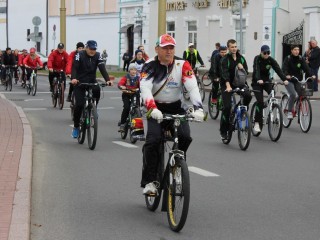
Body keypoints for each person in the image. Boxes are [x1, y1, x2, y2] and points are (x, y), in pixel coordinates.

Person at [139, 34, 204, 195]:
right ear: (157, 49)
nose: (169, 51)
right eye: (165, 48)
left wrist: (198, 108)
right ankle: (150, 182)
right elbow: (145, 88)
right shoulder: (149, 65)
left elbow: (192, 87)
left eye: (171, 48)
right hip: (154, 107)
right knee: (153, 140)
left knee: (185, 137)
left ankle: (176, 167)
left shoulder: (182, 64)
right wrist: (152, 108)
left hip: (176, 107)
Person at [70, 40, 113, 138]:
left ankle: (94, 108)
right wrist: (73, 78)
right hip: (79, 81)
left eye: (94, 49)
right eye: (91, 49)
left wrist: (107, 80)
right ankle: (76, 127)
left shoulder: (98, 55)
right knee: (79, 104)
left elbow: (102, 68)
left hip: (91, 80)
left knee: (97, 89)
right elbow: (75, 67)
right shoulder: (79, 55)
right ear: (86, 47)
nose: (92, 51)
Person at [219, 39, 252, 140]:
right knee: (227, 107)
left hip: (239, 83)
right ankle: (223, 131)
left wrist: (242, 68)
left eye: (235, 46)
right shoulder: (225, 59)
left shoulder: (241, 58)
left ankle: (242, 112)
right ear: (228, 48)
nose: (234, 49)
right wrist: (228, 86)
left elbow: (246, 72)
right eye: (232, 47)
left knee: (248, 95)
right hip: (226, 84)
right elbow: (224, 74)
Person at [251, 45, 288, 132]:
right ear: (261, 52)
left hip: (267, 81)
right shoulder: (257, 59)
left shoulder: (270, 60)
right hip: (257, 82)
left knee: (273, 92)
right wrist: (258, 79)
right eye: (265, 53)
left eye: (268, 52)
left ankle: (268, 105)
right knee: (259, 102)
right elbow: (256, 70)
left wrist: (284, 79)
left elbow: (278, 70)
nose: (267, 54)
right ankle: (257, 122)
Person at [282, 44, 315, 119]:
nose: (297, 51)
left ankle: (296, 109)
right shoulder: (288, 58)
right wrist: (286, 75)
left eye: (298, 50)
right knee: (293, 94)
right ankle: (290, 111)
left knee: (301, 94)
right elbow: (284, 68)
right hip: (289, 80)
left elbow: (306, 68)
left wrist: (311, 75)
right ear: (291, 50)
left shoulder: (301, 59)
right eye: (295, 50)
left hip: (297, 80)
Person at [118, 63, 140, 132]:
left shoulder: (138, 78)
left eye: (135, 70)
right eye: (131, 69)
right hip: (126, 94)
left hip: (135, 94)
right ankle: (122, 123)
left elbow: (142, 85)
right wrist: (122, 86)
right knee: (126, 108)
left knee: (137, 107)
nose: (133, 71)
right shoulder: (126, 77)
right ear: (129, 70)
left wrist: (142, 88)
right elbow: (120, 83)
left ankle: (137, 122)